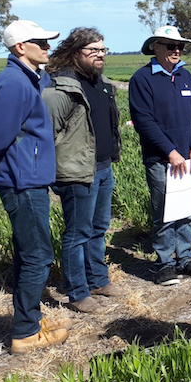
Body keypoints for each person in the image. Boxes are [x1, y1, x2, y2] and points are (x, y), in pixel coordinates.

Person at [0, 20, 72, 353]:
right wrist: (17, 169)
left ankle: (30, 318)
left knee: (30, 253)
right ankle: (25, 333)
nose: (47, 46)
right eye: (39, 41)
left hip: (27, 178)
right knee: (38, 256)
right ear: (19, 47)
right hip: (22, 182)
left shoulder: (26, 79)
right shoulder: (14, 83)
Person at [42, 28, 123, 315]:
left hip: (102, 167)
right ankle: (77, 292)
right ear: (76, 53)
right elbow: (45, 134)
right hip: (76, 173)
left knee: (99, 229)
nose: (100, 55)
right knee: (77, 233)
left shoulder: (100, 83)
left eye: (103, 50)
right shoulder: (60, 88)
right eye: (93, 51)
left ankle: (98, 280)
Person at [128, 26, 191, 286]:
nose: (177, 50)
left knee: (186, 211)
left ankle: (185, 259)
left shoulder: (185, 76)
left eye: (180, 46)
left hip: (188, 160)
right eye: (170, 45)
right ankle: (164, 264)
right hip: (161, 160)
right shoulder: (142, 79)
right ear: (155, 47)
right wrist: (170, 151)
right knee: (165, 212)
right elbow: (144, 121)